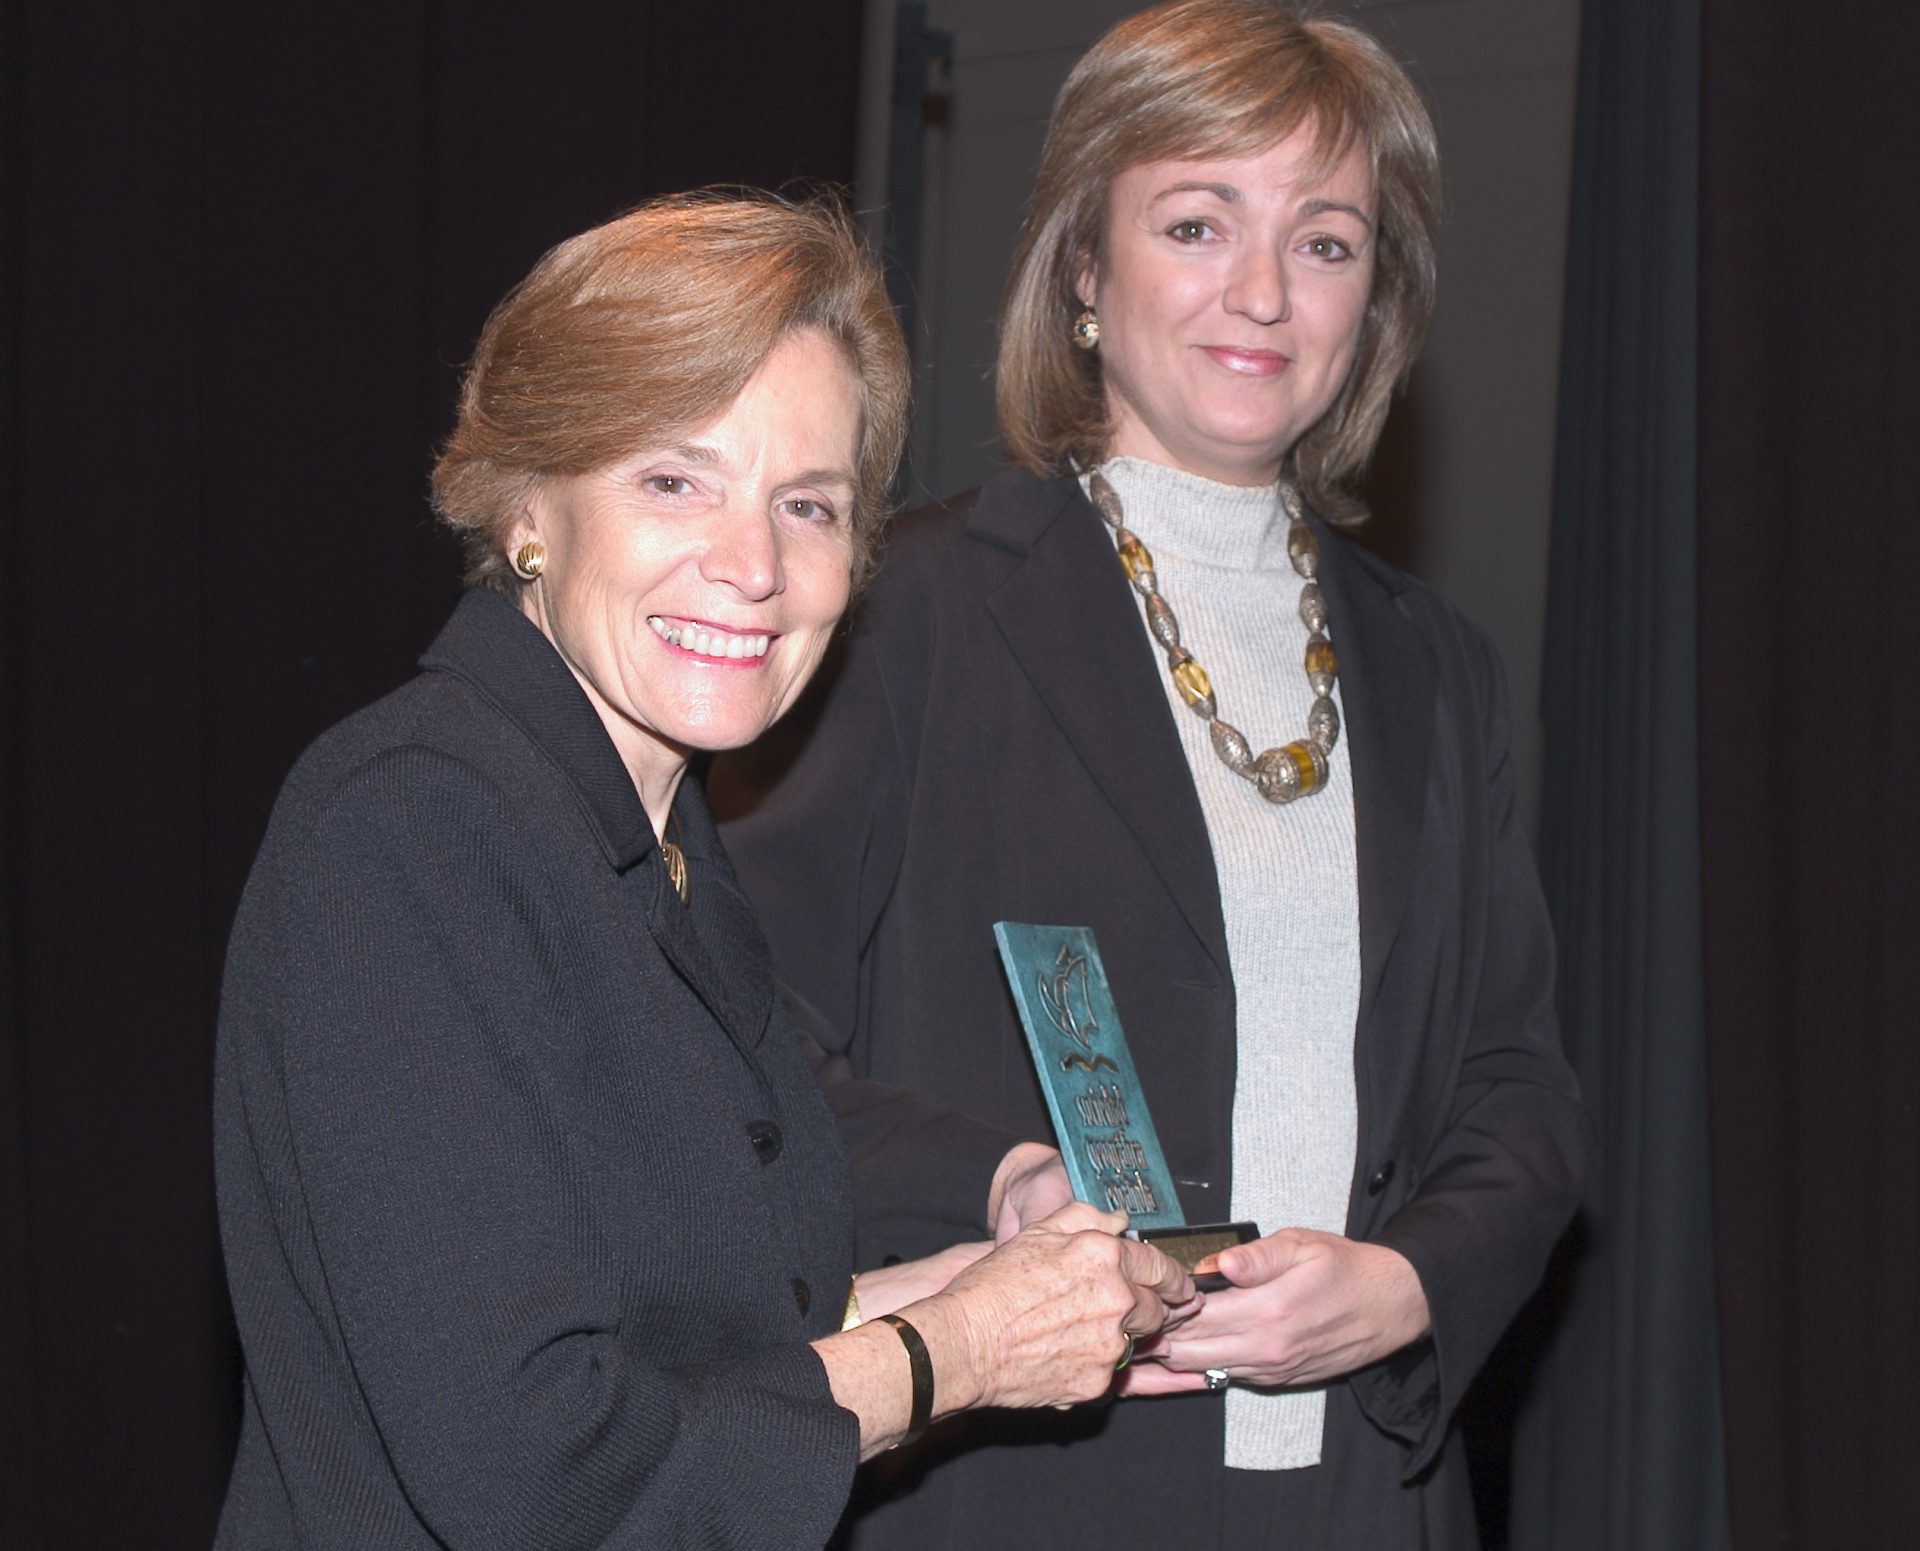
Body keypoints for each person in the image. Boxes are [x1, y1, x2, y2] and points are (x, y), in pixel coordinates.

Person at [715, 4, 1587, 1545]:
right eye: (1197, 224)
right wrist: (995, 1183)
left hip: (1368, 1494)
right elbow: (736, 1050)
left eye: (1326, 242)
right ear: (1082, 268)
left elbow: (1516, 1092)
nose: (1263, 291)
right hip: (1009, 1487)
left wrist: (1409, 1282)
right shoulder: (903, 616)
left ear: (1375, 300)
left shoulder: (1439, 669)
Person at [210, 190, 1196, 1550]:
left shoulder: (661, 847)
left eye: (809, 505)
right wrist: (958, 1351)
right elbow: (537, 1470)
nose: (754, 566)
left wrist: (967, 1293)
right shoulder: (412, 824)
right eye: (675, 481)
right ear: (528, 507)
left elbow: (701, 1342)